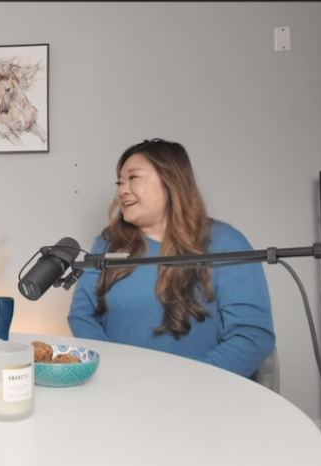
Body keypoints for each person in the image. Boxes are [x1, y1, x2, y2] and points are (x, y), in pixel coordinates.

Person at [67, 139, 275, 378]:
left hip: (201, 395)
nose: (122, 190)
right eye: (120, 182)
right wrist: (114, 371)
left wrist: (186, 383)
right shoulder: (106, 244)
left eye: (133, 178)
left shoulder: (226, 243)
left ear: (170, 181)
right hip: (120, 389)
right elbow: (82, 314)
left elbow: (251, 336)